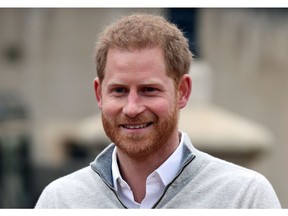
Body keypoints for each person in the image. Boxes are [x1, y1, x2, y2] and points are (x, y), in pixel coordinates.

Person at [35, 13, 281, 209]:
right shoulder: (59, 201)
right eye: (119, 90)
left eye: (149, 90)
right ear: (99, 94)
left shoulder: (244, 198)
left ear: (182, 91)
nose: (132, 108)